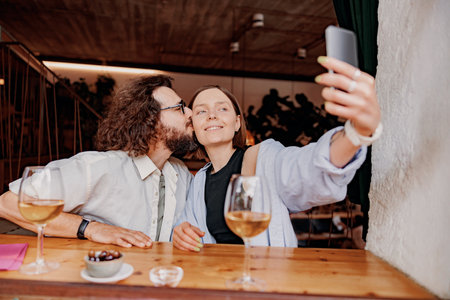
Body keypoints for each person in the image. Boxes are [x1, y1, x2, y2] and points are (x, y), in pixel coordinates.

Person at [172, 56, 382, 251]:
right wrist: (181, 233)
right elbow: (188, 229)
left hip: (265, 282)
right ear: (194, 128)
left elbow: (306, 168)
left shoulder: (262, 159)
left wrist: (356, 134)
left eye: (222, 109)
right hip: (218, 282)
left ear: (237, 123)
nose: (211, 116)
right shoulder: (199, 181)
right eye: (201, 111)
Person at [0, 75, 197, 248]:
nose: (190, 113)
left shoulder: (182, 175)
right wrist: (90, 228)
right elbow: (7, 204)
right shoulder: (95, 168)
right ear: (149, 120)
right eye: (180, 108)